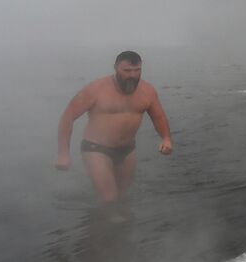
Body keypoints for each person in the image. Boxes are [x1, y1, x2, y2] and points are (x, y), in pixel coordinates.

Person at [55, 51, 172, 215]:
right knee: (109, 198)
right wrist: (63, 153)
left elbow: (159, 117)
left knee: (122, 197)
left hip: (127, 150)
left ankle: (121, 231)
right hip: (96, 149)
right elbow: (68, 117)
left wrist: (166, 138)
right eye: (127, 71)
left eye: (137, 70)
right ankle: (104, 232)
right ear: (116, 68)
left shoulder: (147, 91)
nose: (132, 75)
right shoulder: (96, 89)